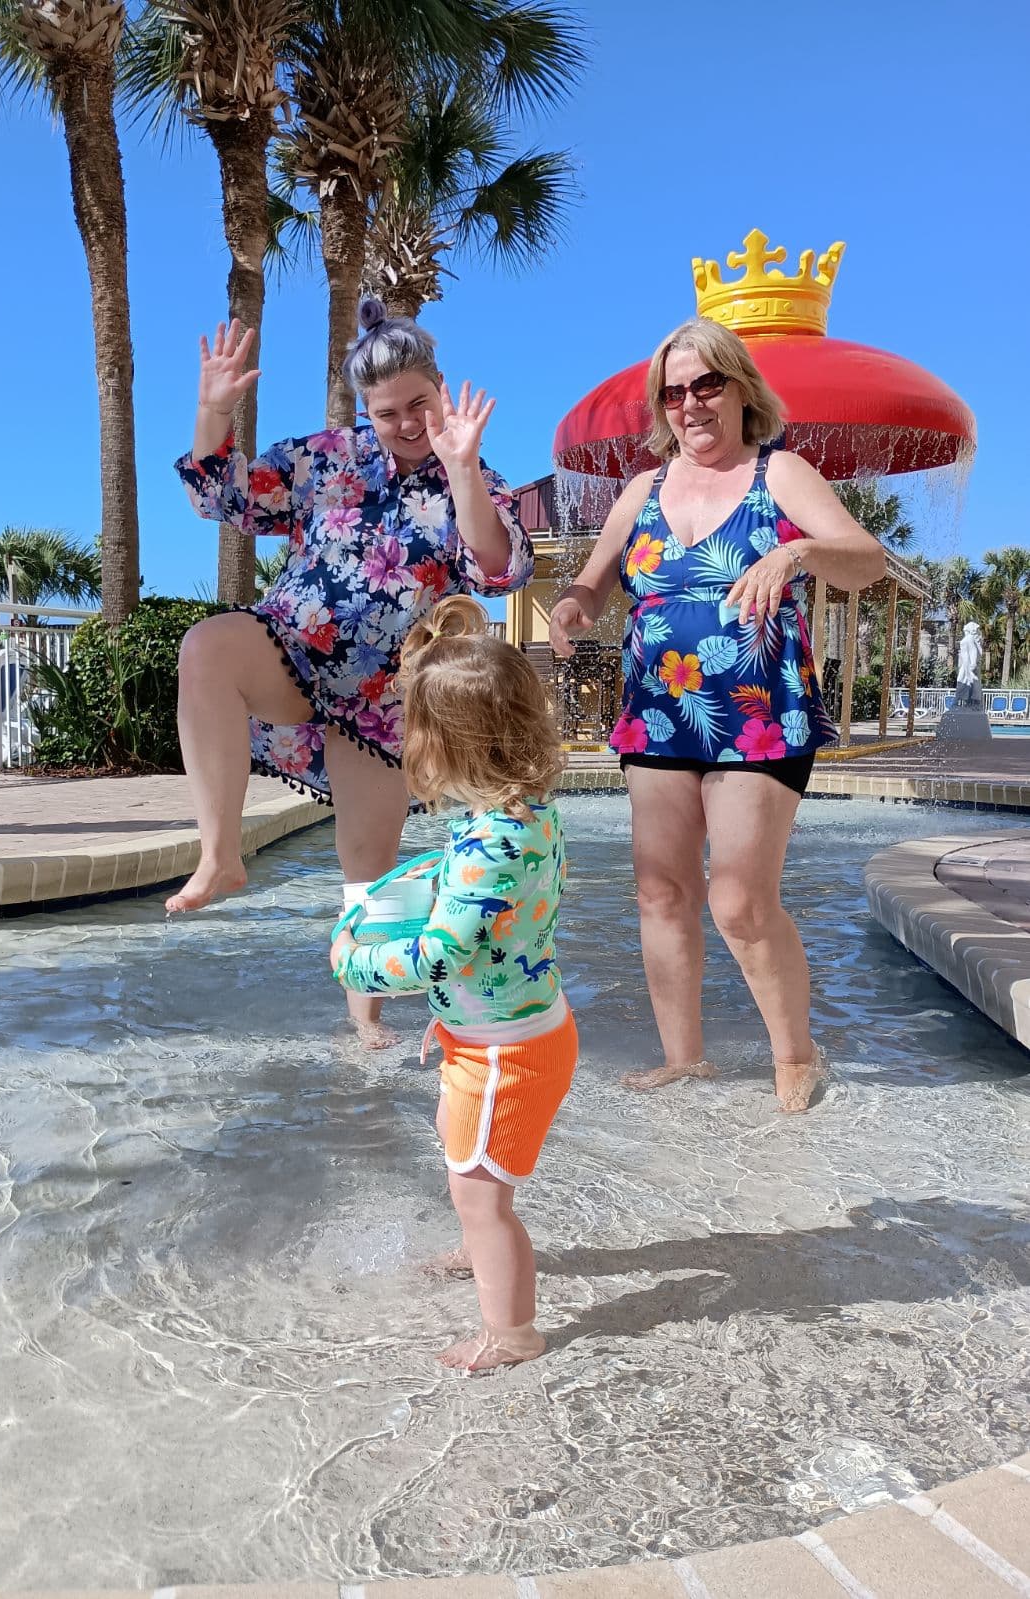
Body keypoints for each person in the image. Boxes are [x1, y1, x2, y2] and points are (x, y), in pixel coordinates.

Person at [171, 303, 533, 1047]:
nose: (404, 423)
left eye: (418, 405)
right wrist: (213, 411)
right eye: (385, 411)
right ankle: (220, 855)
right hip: (290, 648)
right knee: (205, 647)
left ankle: (364, 1018)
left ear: (440, 388)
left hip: (381, 702)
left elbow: (498, 567)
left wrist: (461, 469)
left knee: (366, 869)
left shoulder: (473, 476)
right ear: (364, 410)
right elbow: (221, 495)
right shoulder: (327, 456)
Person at [549, 317, 886, 1113]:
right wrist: (569, 610)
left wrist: (796, 552)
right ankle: (684, 1058)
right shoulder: (643, 490)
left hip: (759, 709)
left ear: (741, 389)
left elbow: (866, 558)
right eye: (674, 392)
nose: (690, 404)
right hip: (660, 707)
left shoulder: (782, 473)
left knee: (738, 898)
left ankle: (796, 1054)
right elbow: (594, 584)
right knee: (661, 892)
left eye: (707, 385)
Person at [331, 596, 577, 1372]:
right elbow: (474, 892)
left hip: (506, 1052)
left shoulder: (490, 840)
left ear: (446, 744)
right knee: (465, 1160)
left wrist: (354, 963)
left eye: (413, 732)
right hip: (513, 1026)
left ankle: (513, 1332)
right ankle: (481, 1250)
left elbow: (440, 955)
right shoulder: (519, 812)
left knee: (480, 1193)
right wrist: (419, 873)